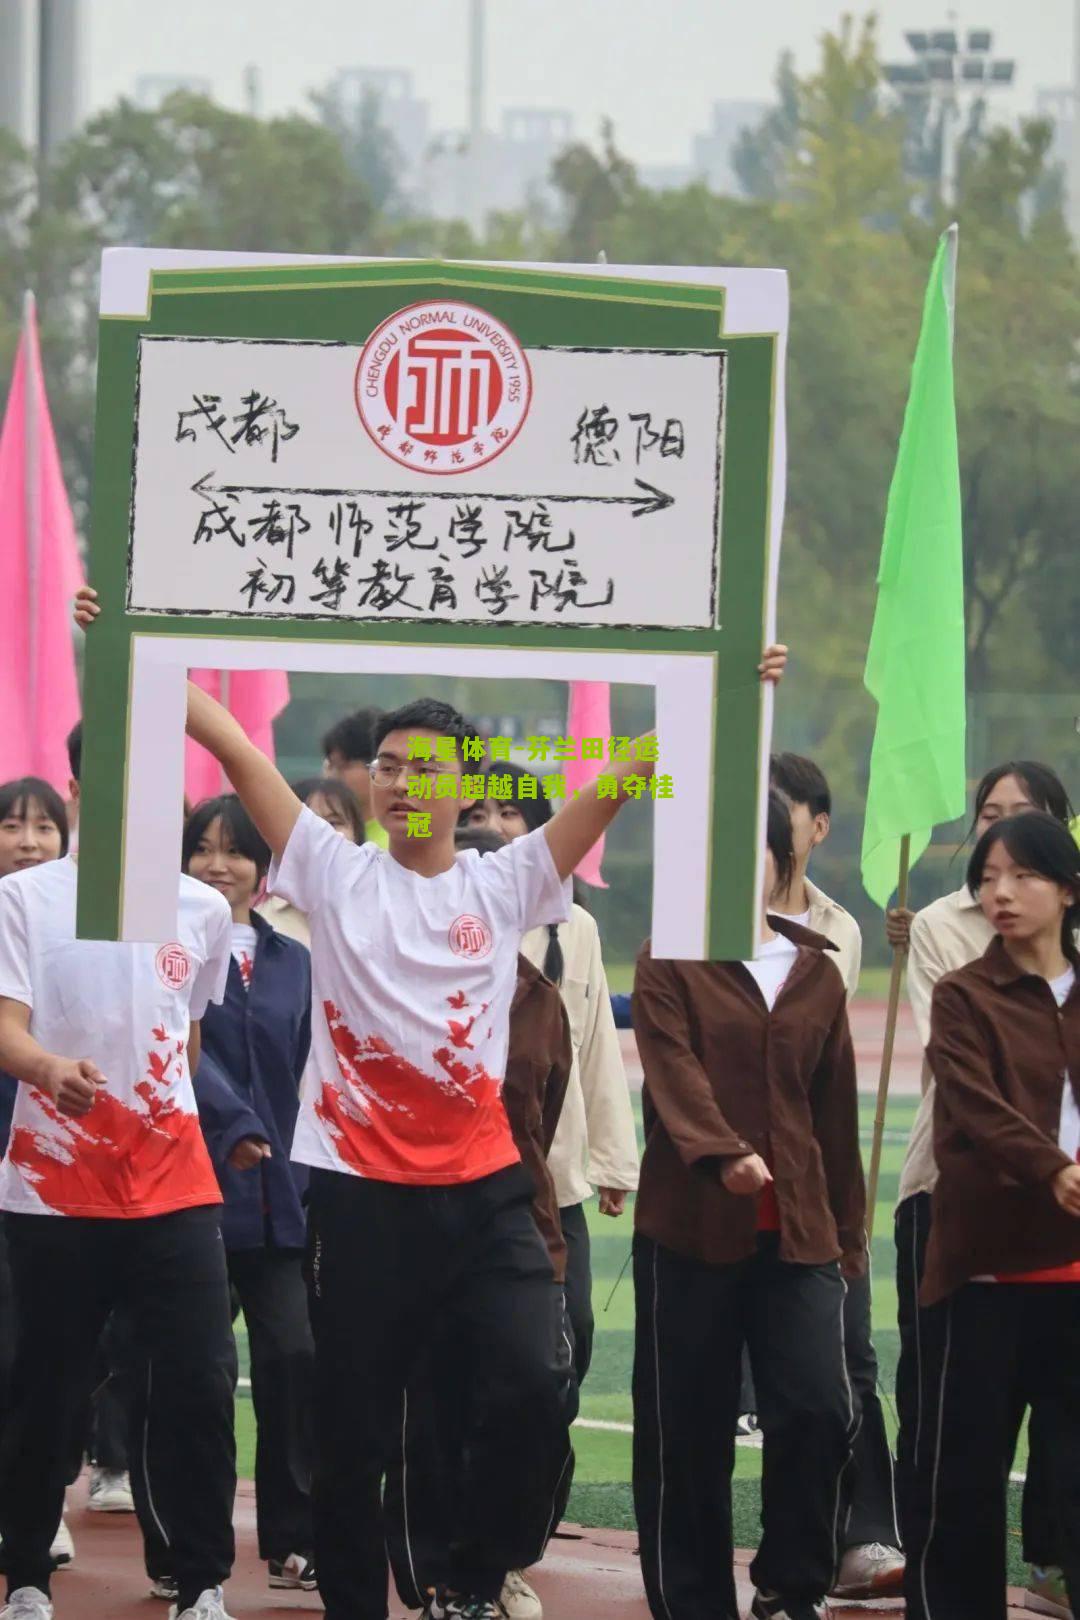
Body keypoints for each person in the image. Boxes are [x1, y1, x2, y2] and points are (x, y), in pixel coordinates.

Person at [77, 581, 786, 1620]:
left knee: (532, 1384)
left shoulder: (506, 884)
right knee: (354, 1425)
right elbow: (229, 741)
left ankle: (472, 1566)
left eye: (427, 770)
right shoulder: (330, 869)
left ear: (469, 788)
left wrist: (735, 683)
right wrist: (123, 635)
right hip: (361, 1198)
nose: (403, 784)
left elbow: (635, 773)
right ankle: (361, 1602)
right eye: (389, 767)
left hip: (488, 1190)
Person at [0, 724, 242, 1620]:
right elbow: (6, 1024)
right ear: (77, 786)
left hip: (173, 1183)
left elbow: (187, 1031)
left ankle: (200, 1578)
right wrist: (48, 1071)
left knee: (199, 1380)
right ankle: (26, 1569)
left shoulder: (200, 909)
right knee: (46, 1381)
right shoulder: (25, 898)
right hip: (55, 1184)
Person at [631, 790, 864, 1620]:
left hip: (799, 1234)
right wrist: (722, 1153)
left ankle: (792, 1584)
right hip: (689, 1231)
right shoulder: (668, 959)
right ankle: (693, 1602)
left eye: (748, 851)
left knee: (819, 1409)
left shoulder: (818, 971)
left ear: (782, 859)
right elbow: (673, 1073)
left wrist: (850, 1230)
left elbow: (833, 1112)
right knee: (687, 1437)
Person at [892, 762, 1077, 1620]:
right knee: (962, 1477)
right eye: (986, 878)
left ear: (1068, 889)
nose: (1000, 893)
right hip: (986, 1270)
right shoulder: (965, 995)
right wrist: (1056, 1170)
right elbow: (971, 1106)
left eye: (1023, 876)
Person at [384, 826, 576, 1620]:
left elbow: (544, 1112)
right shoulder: (391, 980)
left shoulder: (539, 998)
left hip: (516, 1218)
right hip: (406, 1216)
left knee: (537, 1386)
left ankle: (488, 1564)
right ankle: (437, 1582)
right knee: (429, 1407)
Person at [767, 753, 902, 1602]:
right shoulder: (698, 918)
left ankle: (865, 1539)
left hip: (812, 1179)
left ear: (818, 826)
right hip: (727, 1183)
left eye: (789, 810)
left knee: (845, 1364)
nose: (774, 823)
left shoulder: (839, 929)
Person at [461, 764, 639, 1393]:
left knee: (572, 1335)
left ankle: (534, 1485)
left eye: (511, 814)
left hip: (553, 1176)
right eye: (477, 814)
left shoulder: (575, 927)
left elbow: (595, 1049)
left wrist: (615, 1163)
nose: (493, 827)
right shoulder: (434, 914)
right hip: (457, 1177)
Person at [182, 795, 316, 1595]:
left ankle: (293, 1540)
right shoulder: (162, 946)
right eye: (203, 849)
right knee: (189, 1375)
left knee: (295, 1359)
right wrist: (231, 1123)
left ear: (263, 873)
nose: (219, 864)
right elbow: (176, 1045)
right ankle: (182, 1553)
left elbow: (310, 1068)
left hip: (281, 1200)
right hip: (192, 1189)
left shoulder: (296, 961)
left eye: (236, 851)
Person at [0, 780, 76, 1573]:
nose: (28, 840)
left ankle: (36, 1505)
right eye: (12, 825)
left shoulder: (60, 926)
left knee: (31, 1348)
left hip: (37, 1172)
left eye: (43, 827)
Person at [257, 776, 365, 947]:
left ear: (357, 834)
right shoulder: (260, 921)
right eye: (310, 823)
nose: (322, 833)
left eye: (334, 822)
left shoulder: (377, 911)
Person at [321, 707, 388, 849]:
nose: (332, 776)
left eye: (343, 766)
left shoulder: (402, 842)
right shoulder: (322, 832)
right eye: (330, 766)